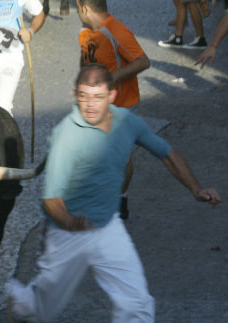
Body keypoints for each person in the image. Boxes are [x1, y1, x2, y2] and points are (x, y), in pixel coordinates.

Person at [6, 64, 220, 323]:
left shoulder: (127, 122)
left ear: (112, 96)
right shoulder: (67, 134)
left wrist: (195, 189)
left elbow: (167, 154)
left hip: (108, 227)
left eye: (98, 98)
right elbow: (51, 198)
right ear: (76, 96)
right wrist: (72, 222)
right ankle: (21, 306)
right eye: (85, 98)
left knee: (137, 302)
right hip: (66, 231)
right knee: (46, 308)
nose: (91, 106)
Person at [76, 0, 150, 219]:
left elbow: (143, 61)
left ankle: (120, 198)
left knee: (120, 157)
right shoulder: (85, 33)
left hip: (121, 106)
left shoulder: (115, 30)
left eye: (77, 9)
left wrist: (111, 78)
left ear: (85, 8)